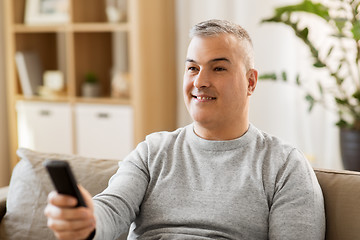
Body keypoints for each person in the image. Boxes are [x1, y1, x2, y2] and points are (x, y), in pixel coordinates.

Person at [44, 19, 325, 240]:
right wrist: (87, 219)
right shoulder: (152, 151)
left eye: (218, 68)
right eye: (192, 68)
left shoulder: (284, 165)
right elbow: (111, 209)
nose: (200, 81)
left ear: (251, 82)